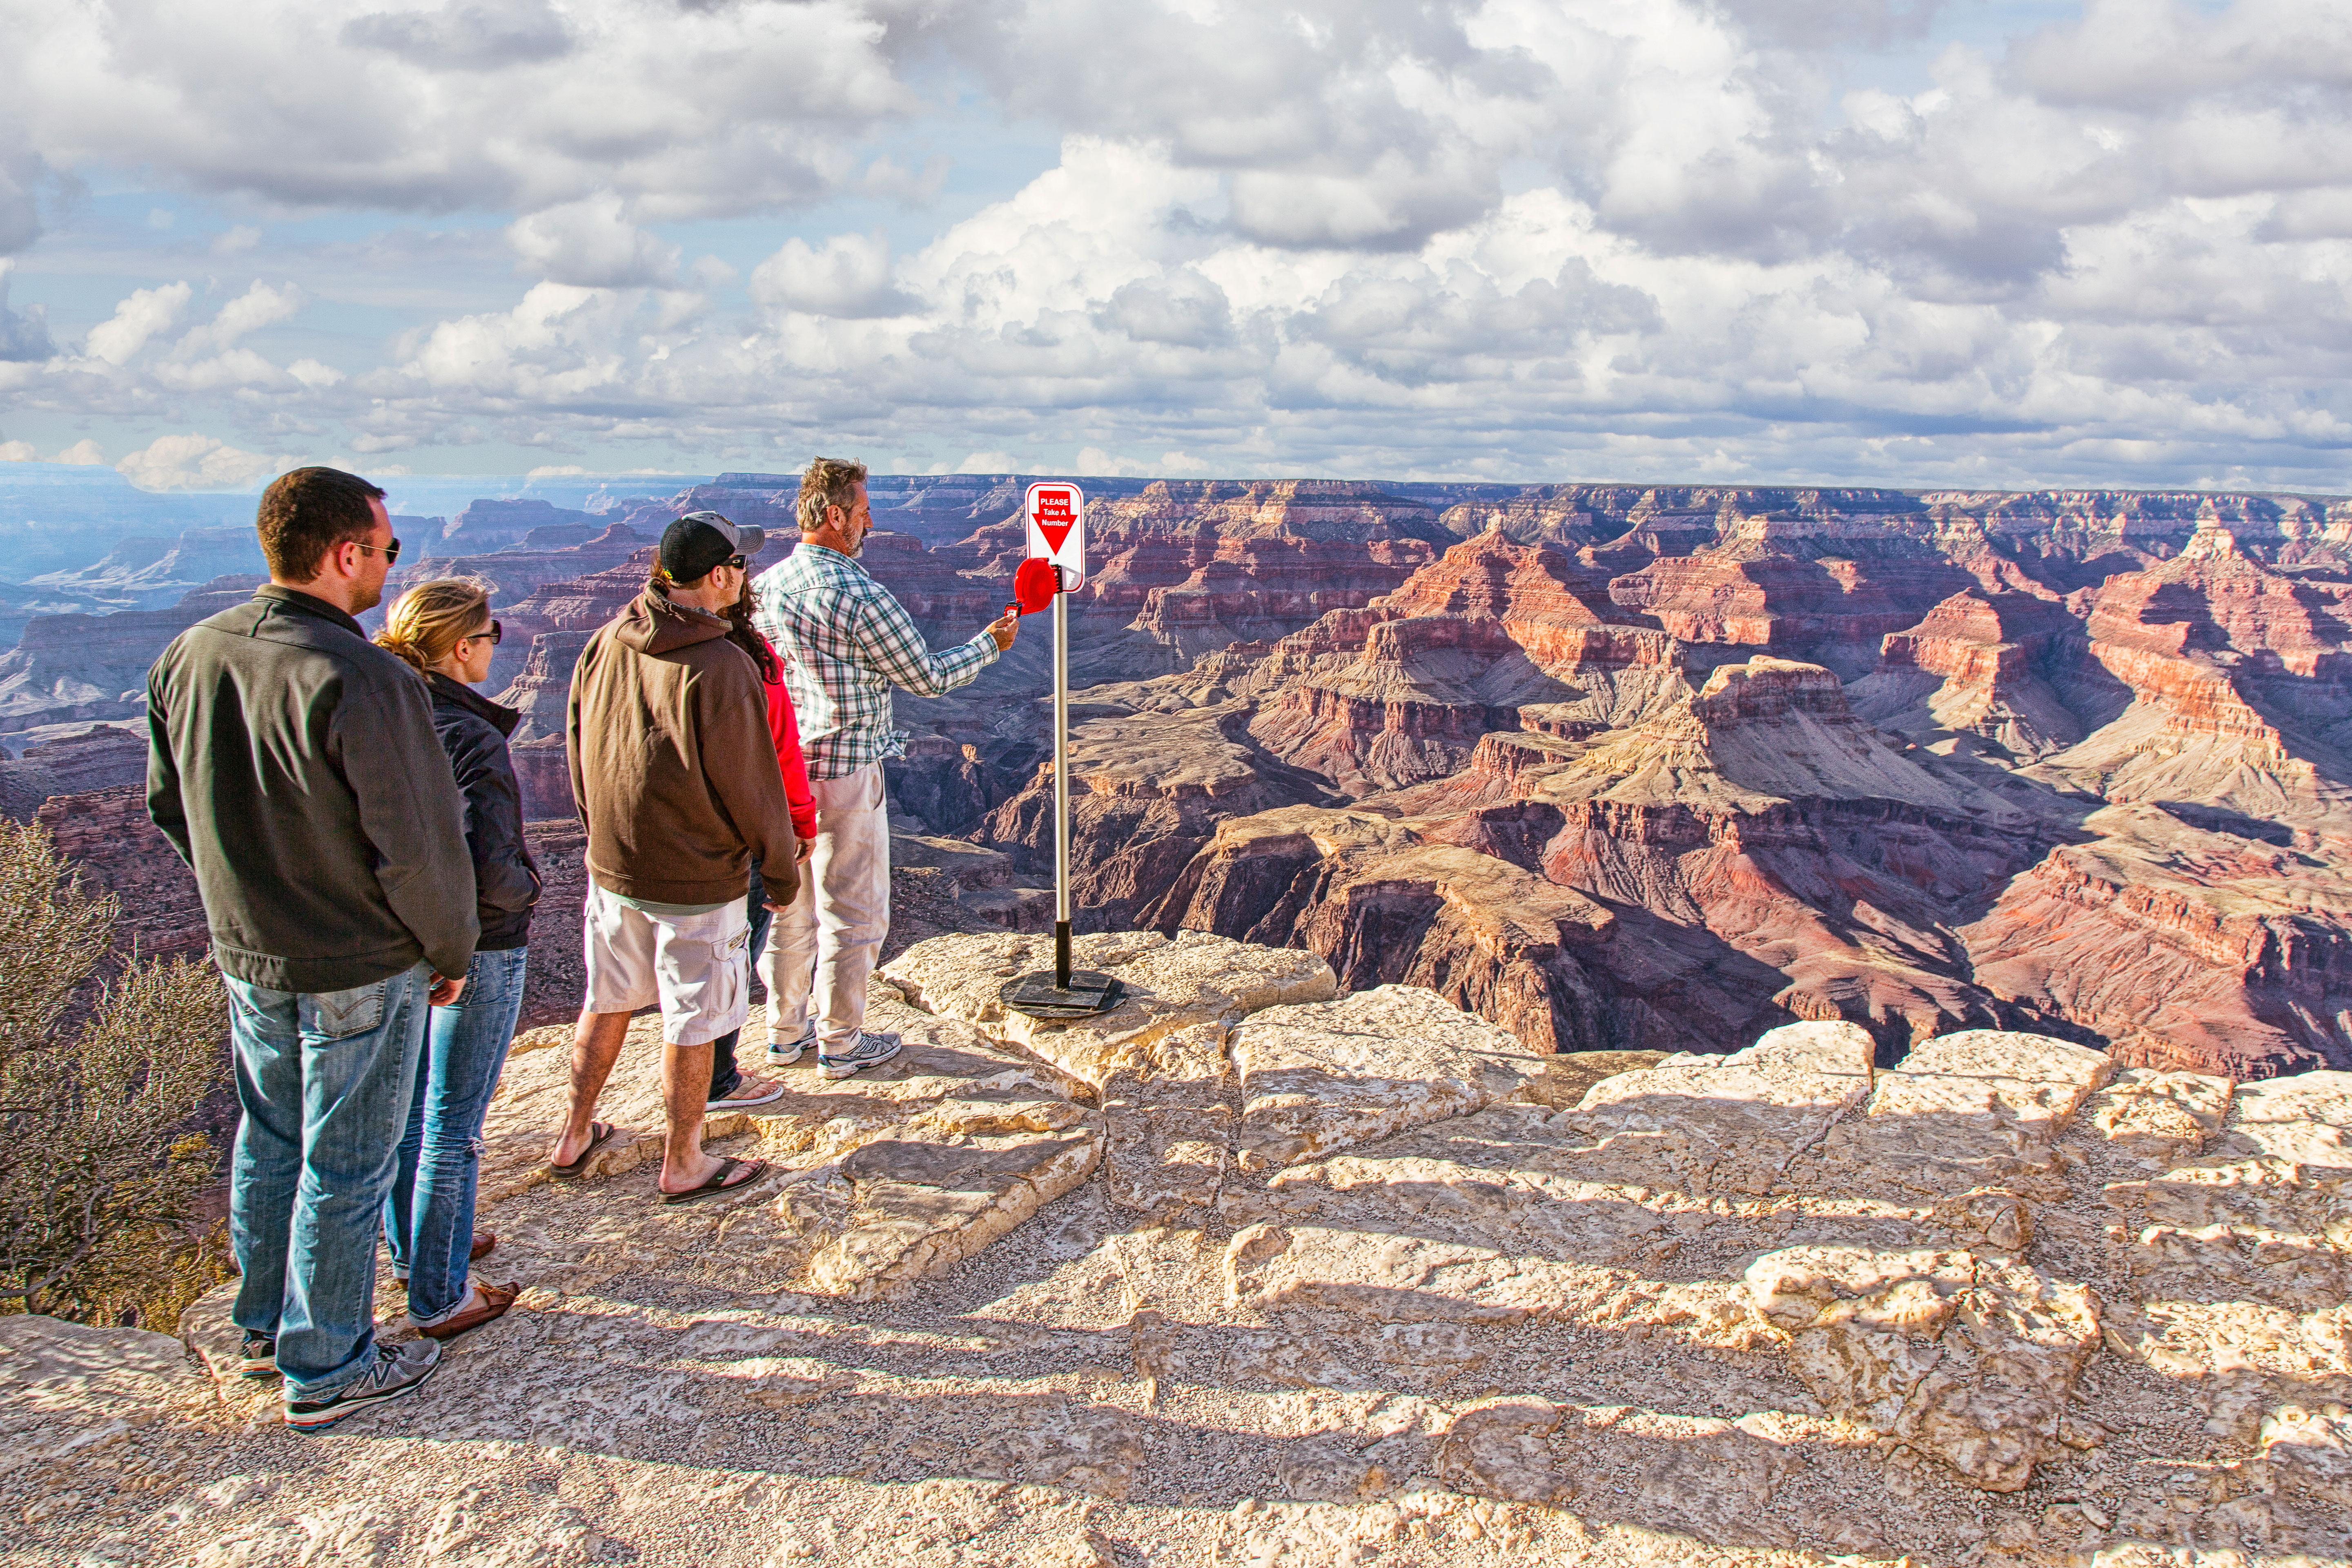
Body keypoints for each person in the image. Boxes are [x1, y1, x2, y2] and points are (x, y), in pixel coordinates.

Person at [147, 466, 476, 1433]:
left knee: (272, 1137)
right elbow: (418, 843)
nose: (388, 566)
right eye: (385, 549)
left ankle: (262, 1332)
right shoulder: (365, 678)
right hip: (361, 964)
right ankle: (328, 1363)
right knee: (350, 1163)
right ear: (343, 554)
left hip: (252, 955)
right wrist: (448, 948)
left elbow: (172, 808)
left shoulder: (190, 655)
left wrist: (238, 901)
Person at [546, 512, 800, 1201]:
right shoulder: (722, 665)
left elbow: (577, 747)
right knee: (694, 1018)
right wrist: (781, 871)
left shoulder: (605, 640)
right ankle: (682, 1160)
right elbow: (753, 784)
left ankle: (574, 1131)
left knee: (608, 999)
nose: (745, 577)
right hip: (695, 879)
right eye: (741, 566)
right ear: (717, 576)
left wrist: (599, 837)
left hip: (615, 866)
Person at [752, 458, 1018, 1079]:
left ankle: (783, 1034)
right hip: (845, 772)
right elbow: (926, 677)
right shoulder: (858, 594)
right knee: (853, 910)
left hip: (782, 773)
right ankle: (841, 1043)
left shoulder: (764, 586)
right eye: (865, 510)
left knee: (791, 906)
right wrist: (989, 645)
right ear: (835, 515)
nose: (871, 522)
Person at [374, 579, 537, 1340]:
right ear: (462, 646)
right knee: (454, 1121)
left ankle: (418, 1252)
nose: (496, 648)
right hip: (481, 944)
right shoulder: (471, 735)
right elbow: (490, 859)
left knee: (409, 1114)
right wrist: (523, 898)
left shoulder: (385, 715)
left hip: (400, 940)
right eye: (491, 635)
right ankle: (442, 1294)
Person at [704, 567, 818, 1112]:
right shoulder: (748, 658)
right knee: (735, 953)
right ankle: (719, 1078)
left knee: (690, 967)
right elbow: (783, 747)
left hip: (673, 838)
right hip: (744, 837)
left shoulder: (644, 647)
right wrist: (798, 826)